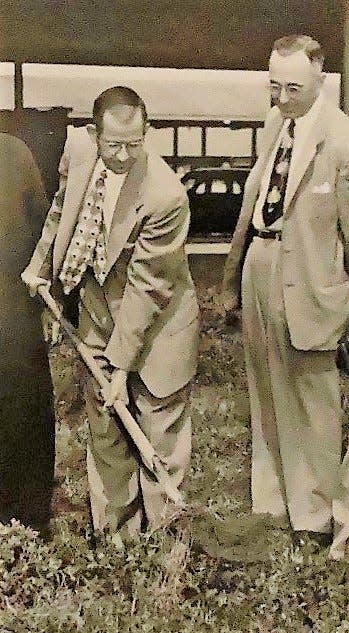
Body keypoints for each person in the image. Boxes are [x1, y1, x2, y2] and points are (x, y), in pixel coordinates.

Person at [22, 86, 199, 542]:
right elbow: (63, 211)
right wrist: (40, 267)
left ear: (147, 133)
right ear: (93, 134)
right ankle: (118, 546)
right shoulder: (78, 152)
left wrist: (120, 367)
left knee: (158, 440)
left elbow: (148, 289)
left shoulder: (166, 196)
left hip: (158, 329)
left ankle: (165, 556)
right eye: (113, 144)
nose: (122, 155)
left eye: (134, 144)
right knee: (106, 436)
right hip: (98, 316)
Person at [221, 34, 349, 557]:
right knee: (266, 390)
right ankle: (274, 508)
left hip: (313, 283)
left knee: (313, 403)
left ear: (322, 78)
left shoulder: (341, 139)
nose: (280, 98)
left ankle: (317, 520)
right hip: (261, 263)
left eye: (292, 87)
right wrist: (231, 278)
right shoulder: (276, 124)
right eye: (273, 86)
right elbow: (252, 201)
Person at [0, 132, 55, 532]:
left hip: (13, 310)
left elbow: (43, 233)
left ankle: (28, 520)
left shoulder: (16, 153)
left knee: (25, 412)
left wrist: (47, 299)